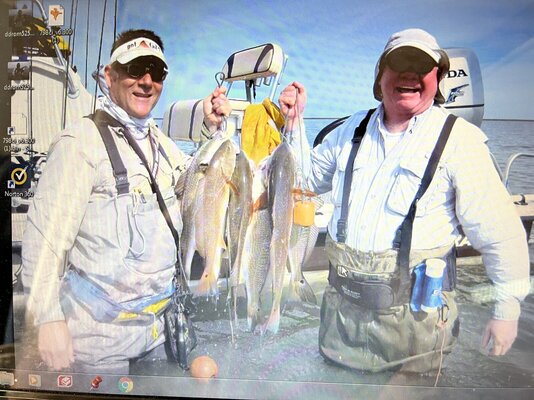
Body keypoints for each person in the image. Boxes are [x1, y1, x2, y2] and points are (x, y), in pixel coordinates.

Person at [278, 28, 530, 373]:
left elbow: (500, 233)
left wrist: (506, 312)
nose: (410, 74)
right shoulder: (349, 130)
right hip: (340, 325)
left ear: (437, 79)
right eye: (399, 63)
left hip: (415, 330)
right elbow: (303, 181)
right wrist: (294, 122)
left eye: (421, 66)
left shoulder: (461, 140)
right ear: (380, 76)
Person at [21, 29, 231, 373]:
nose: (146, 81)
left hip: (158, 332)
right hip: (98, 342)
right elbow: (44, 240)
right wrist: (47, 319)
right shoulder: (79, 144)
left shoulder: (161, 143)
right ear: (110, 75)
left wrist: (210, 129)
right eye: (135, 69)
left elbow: (192, 187)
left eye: (156, 72)